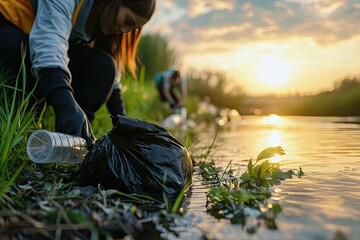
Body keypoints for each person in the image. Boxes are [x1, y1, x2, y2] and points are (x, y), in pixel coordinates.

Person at [0, 0, 156, 148]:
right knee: (21, 55)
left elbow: (111, 76)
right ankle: (22, 107)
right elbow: (49, 40)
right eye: (127, 20)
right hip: (8, 27)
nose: (124, 31)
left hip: (33, 51)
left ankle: (75, 135)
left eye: (131, 29)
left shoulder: (101, 21)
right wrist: (64, 101)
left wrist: (124, 123)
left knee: (104, 66)